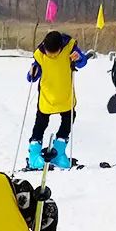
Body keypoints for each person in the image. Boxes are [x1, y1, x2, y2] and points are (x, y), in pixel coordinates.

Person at [26, 30, 87, 171]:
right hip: (47, 96)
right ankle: (34, 155)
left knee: (68, 120)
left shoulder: (70, 47)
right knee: (40, 123)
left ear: (61, 47)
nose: (52, 56)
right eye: (49, 53)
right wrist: (32, 73)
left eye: (55, 53)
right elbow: (32, 77)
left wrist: (78, 58)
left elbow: (82, 62)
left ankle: (59, 152)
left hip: (65, 95)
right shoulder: (40, 54)